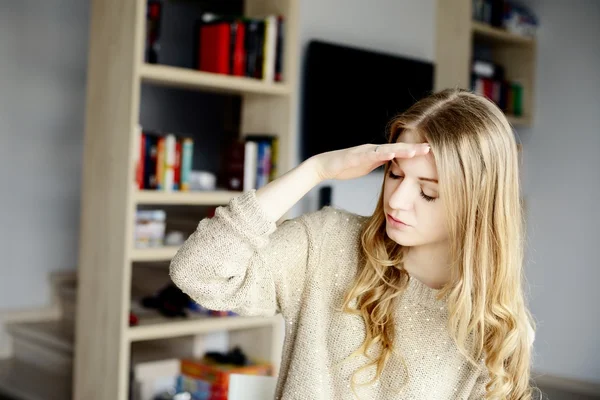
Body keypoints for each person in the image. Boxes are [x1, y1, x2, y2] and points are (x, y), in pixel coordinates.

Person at [170, 88, 537, 399]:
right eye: (394, 174)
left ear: (478, 205)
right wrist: (315, 170)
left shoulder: (491, 326)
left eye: (428, 193)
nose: (396, 200)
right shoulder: (327, 243)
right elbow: (198, 272)